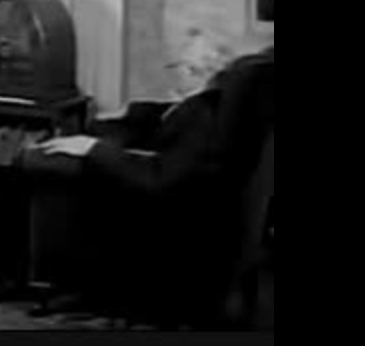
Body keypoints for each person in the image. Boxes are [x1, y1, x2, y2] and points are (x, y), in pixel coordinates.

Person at [22, 33, 274, 327]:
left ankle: (63, 283)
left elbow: (159, 180)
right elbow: (164, 118)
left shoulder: (203, 117)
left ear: (193, 72)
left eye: (174, 66)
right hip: (178, 211)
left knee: (66, 178)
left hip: (175, 228)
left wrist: (95, 149)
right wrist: (130, 114)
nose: (171, 73)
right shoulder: (205, 106)